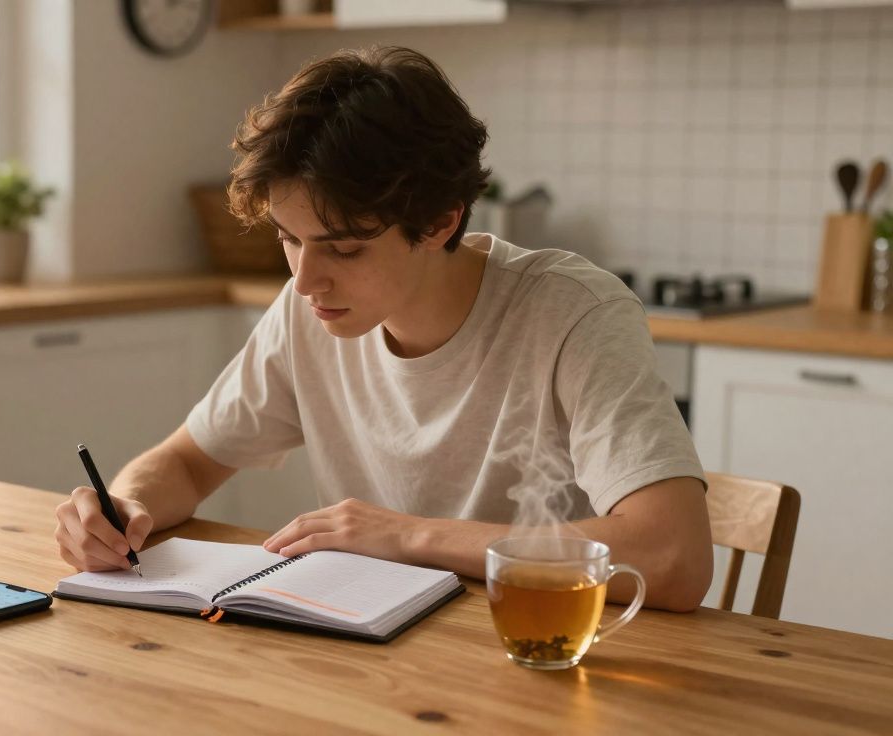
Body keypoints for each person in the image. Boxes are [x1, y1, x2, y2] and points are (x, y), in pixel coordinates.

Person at [55, 46, 713, 612]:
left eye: (343, 249)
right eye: (289, 239)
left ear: (440, 222)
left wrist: (408, 536)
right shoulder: (307, 311)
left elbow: (674, 556)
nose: (305, 280)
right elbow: (186, 462)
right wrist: (123, 509)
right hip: (381, 657)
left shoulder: (573, 314)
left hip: (545, 649)